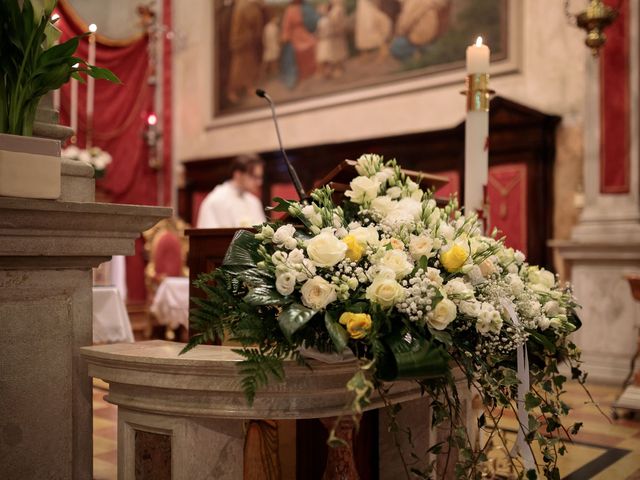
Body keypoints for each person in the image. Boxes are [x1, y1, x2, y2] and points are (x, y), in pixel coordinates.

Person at [197, 154, 267, 228]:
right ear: (238, 174)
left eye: (260, 177)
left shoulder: (254, 202)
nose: (260, 182)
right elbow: (207, 235)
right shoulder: (216, 200)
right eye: (254, 177)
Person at [226, 0, 266, 104]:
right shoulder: (243, 6)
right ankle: (231, 91)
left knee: (249, 63)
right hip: (240, 39)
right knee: (238, 66)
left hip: (248, 39)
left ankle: (249, 86)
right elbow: (252, 19)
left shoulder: (248, 5)